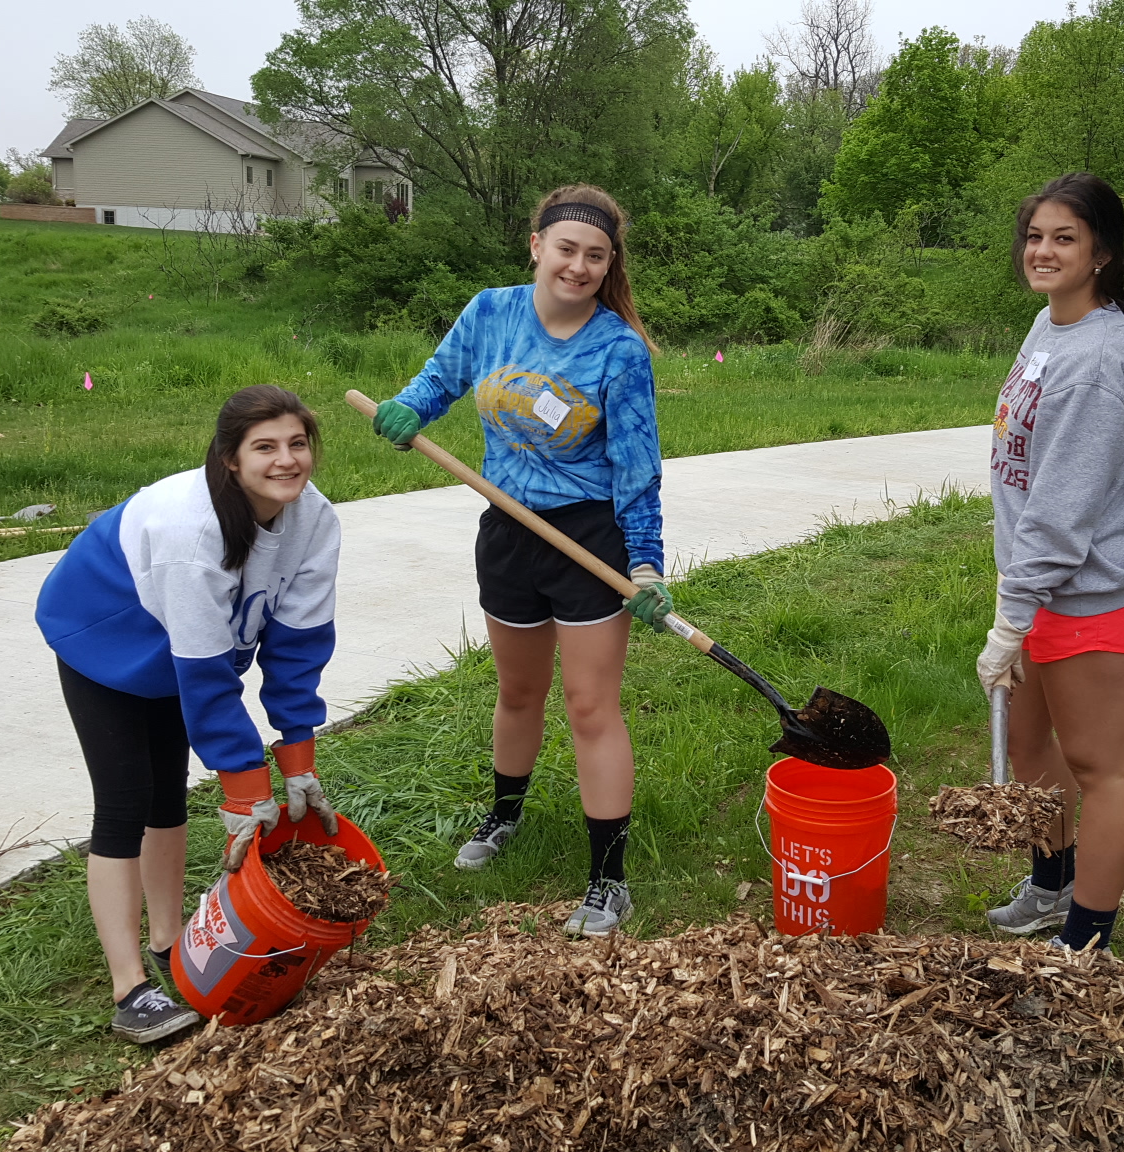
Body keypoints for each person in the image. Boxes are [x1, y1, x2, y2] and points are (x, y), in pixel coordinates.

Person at [369, 183, 671, 938]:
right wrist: (412, 406)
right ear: (536, 245)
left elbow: (638, 467)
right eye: (566, 249)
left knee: (590, 706)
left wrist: (646, 565)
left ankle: (610, 880)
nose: (578, 266)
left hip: (587, 539)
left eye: (595, 256)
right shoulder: (491, 312)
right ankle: (504, 818)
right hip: (506, 528)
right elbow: (441, 378)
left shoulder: (619, 351)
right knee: (518, 692)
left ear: (609, 265)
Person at [35, 384, 344, 1041]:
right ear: (230, 460)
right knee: (125, 800)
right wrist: (245, 792)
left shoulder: (313, 520)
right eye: (265, 447)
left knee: (167, 798)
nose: (286, 460)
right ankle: (130, 992)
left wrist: (297, 764)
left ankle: (169, 944)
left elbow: (297, 647)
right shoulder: (191, 531)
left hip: (183, 643)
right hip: (104, 627)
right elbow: (205, 677)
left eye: (297, 444)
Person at [976, 173, 1124, 954]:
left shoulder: (1095, 360)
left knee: (1098, 768)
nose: (1043, 251)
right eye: (1036, 236)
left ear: (1101, 255)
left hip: (1089, 595)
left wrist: (1012, 617)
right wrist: (1014, 597)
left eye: (1065, 239)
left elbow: (1062, 507)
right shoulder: (1051, 327)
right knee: (1029, 749)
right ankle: (1053, 882)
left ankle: (1084, 941)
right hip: (1037, 585)